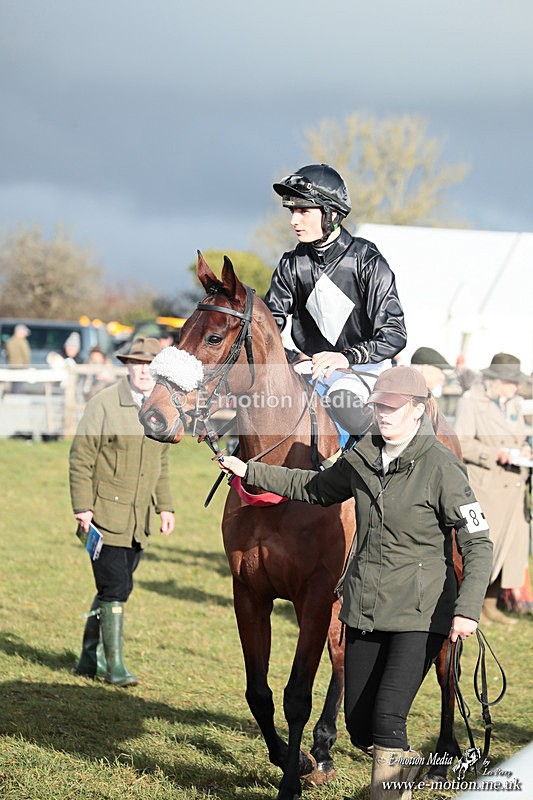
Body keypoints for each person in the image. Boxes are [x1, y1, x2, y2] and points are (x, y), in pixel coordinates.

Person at [217, 365, 493, 800]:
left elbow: (477, 541)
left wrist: (468, 608)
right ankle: (404, 769)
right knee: (360, 725)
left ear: (418, 411)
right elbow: (314, 487)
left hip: (420, 613)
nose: (381, 413)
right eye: (377, 405)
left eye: (391, 407)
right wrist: (249, 470)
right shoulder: (363, 455)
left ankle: (386, 791)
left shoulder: (443, 467)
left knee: (386, 720)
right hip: (365, 607)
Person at [265, 164, 407, 436]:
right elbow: (269, 327)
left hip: (365, 369)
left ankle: (373, 473)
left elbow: (394, 334)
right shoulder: (291, 265)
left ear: (331, 214)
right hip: (313, 368)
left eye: (303, 211)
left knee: (343, 403)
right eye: (293, 211)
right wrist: (288, 357)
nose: (294, 220)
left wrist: (345, 357)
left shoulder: (367, 260)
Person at [69, 337, 175, 686]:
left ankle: (88, 657)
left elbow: (162, 462)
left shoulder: (160, 406)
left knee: (117, 587)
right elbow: (81, 457)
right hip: (104, 516)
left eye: (151, 366)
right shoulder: (104, 405)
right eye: (138, 364)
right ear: (128, 366)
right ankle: (114, 667)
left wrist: (165, 507)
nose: (145, 371)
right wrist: (83, 507)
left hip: (138, 520)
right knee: (114, 588)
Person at [454, 352, 532, 624]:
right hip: (487, 485)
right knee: (487, 546)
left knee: (511, 548)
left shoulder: (512, 404)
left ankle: (492, 603)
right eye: (510, 382)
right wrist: (494, 453)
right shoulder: (471, 402)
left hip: (514, 485)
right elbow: (461, 441)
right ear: (495, 379)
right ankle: (473, 603)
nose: (514, 387)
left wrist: (524, 449)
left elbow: (520, 435)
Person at [5, 323, 31, 393]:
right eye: (24, 332)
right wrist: (26, 366)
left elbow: (8, 356)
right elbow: (25, 355)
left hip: (12, 366)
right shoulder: (22, 342)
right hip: (20, 366)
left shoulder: (9, 341)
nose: (25, 334)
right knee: (18, 385)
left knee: (14, 384)